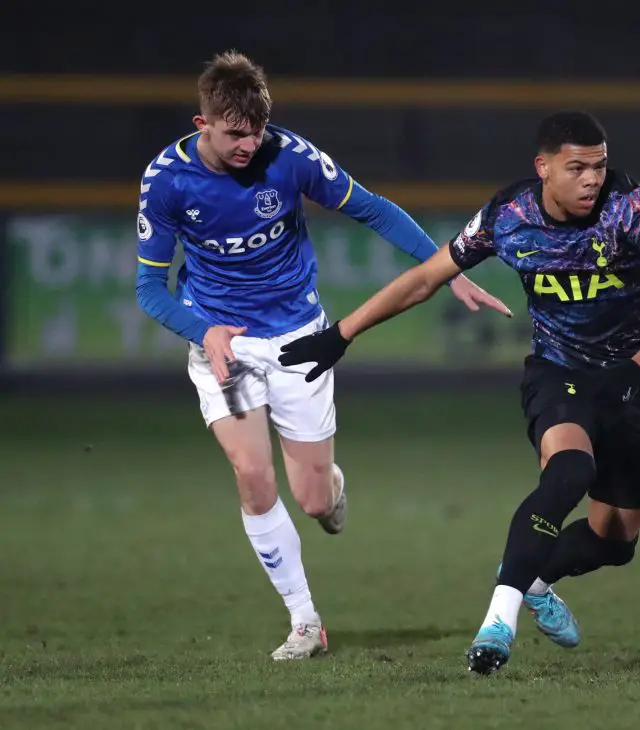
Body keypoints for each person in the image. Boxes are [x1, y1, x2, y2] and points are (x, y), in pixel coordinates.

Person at [277, 110, 640, 674]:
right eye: (576, 167)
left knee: (615, 542)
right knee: (569, 469)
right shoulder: (510, 214)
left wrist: (633, 373)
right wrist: (342, 333)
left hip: (629, 381)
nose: (592, 179)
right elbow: (428, 277)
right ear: (543, 168)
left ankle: (535, 580)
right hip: (559, 373)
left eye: (599, 166)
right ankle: (497, 622)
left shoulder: (632, 209)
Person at [134, 50, 510, 661]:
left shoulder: (291, 157)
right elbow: (150, 287)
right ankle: (305, 621)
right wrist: (202, 332)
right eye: (233, 134)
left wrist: (449, 269)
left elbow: (375, 209)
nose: (248, 146)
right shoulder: (166, 181)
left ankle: (330, 488)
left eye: (256, 132)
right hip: (221, 344)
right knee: (252, 475)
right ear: (202, 124)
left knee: (312, 499)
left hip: (300, 341)